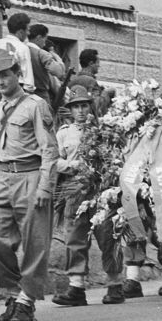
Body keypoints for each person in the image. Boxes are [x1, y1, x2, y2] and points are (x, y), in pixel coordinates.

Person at [0, 43, 58, 321]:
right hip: (3, 178)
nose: (1, 81)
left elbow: (49, 149)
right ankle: (13, 293)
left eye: (6, 74)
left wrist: (45, 186)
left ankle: (26, 301)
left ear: (17, 73)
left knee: (34, 243)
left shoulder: (35, 105)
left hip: (30, 177)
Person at [50, 86, 126, 307]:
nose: (81, 111)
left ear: (90, 107)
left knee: (107, 234)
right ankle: (76, 287)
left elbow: (115, 155)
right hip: (74, 189)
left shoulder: (103, 130)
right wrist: (73, 166)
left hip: (101, 189)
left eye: (84, 106)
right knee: (75, 235)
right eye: (76, 107)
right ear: (71, 110)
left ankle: (114, 284)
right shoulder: (64, 132)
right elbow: (54, 159)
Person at [0, 11, 36, 91]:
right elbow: (28, 80)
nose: (29, 33)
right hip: (14, 89)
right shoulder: (22, 48)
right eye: (28, 30)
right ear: (21, 32)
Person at [26, 24, 66, 111]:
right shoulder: (41, 53)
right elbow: (59, 72)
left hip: (22, 97)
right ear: (39, 37)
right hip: (40, 96)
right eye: (45, 38)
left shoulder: (20, 50)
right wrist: (55, 56)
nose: (45, 42)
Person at [69, 48, 108, 116]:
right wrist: (105, 94)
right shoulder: (91, 81)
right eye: (97, 62)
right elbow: (96, 106)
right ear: (91, 63)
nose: (99, 65)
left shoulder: (72, 81)